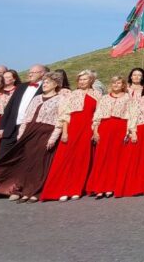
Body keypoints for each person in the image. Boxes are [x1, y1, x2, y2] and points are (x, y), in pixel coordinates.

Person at [0, 71, 65, 203]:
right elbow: (24, 115)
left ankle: (33, 191)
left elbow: (60, 119)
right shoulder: (32, 94)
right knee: (16, 160)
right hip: (26, 130)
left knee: (39, 163)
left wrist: (53, 137)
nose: (44, 84)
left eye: (48, 82)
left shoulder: (61, 98)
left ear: (55, 84)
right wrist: (20, 132)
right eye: (44, 82)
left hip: (46, 132)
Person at [40, 69, 101, 202]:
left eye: (85, 79)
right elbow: (65, 114)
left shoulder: (97, 95)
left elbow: (99, 114)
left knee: (82, 159)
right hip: (73, 128)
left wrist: (95, 130)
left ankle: (76, 189)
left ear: (91, 80)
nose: (82, 82)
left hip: (88, 129)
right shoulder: (72, 95)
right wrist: (65, 132)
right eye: (80, 79)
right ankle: (61, 188)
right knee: (66, 158)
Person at [115, 79, 144, 197]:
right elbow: (132, 116)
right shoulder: (138, 101)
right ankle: (132, 186)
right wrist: (133, 131)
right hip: (140, 129)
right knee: (135, 158)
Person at [0, 64, 47, 158]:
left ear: (42, 73)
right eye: (29, 72)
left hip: (29, 129)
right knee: (2, 157)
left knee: (23, 158)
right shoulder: (21, 87)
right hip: (11, 128)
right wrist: (1, 127)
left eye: (33, 72)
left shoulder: (46, 88)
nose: (30, 74)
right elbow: (9, 108)